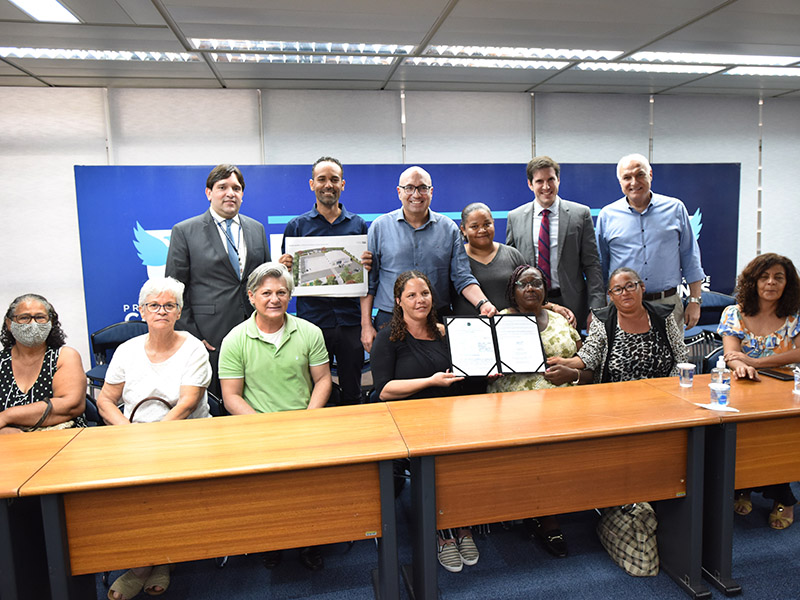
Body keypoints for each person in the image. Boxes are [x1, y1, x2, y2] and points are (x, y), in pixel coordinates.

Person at [97, 277, 211, 600]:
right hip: (133, 436)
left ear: (179, 312)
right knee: (126, 497)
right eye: (154, 305)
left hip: (184, 437)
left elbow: (188, 403)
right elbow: (105, 400)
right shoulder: (126, 350)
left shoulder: (193, 349)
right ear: (142, 311)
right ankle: (152, 559)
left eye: (169, 305)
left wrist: (153, 441)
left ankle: (146, 565)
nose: (161, 311)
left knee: (164, 493)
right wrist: (127, 432)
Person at [218, 262, 331, 571]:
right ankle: (271, 542)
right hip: (256, 428)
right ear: (252, 296)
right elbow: (231, 397)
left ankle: (310, 540)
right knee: (266, 491)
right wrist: (263, 427)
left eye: (281, 292)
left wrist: (309, 419)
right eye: (266, 293)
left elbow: (322, 380)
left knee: (308, 489)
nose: (274, 299)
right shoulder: (234, 339)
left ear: (290, 296)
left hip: (304, 424)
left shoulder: (309, 332)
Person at [370, 270, 477, 573]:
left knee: (466, 461)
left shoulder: (447, 332)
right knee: (434, 465)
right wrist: (428, 381)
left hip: (450, 415)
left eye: (425, 293)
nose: (420, 300)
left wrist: (485, 368)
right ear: (398, 301)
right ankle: (441, 533)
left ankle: (463, 525)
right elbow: (384, 390)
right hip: (408, 422)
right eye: (412, 295)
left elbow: (465, 370)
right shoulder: (388, 337)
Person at [487, 265, 585, 559]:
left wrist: (571, 371)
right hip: (515, 411)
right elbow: (480, 363)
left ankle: (549, 509)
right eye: (523, 283)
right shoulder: (499, 322)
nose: (530, 288)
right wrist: (488, 372)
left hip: (564, 408)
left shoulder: (560, 318)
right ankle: (547, 518)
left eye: (536, 282)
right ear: (512, 290)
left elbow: (585, 358)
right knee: (538, 455)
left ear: (545, 288)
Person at [361, 166, 497, 352]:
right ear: (399, 192)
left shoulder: (448, 229)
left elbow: (462, 277)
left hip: (436, 318)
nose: (416, 194)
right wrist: (366, 325)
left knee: (443, 376)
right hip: (390, 318)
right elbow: (369, 282)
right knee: (393, 378)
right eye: (409, 188)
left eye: (422, 188)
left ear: (431, 191)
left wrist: (483, 303)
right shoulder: (379, 227)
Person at [165, 164, 269, 397]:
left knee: (254, 397)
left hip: (254, 333)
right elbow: (174, 289)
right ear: (208, 192)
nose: (230, 193)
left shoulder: (257, 229)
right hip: (209, 337)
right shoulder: (185, 231)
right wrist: (192, 337)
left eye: (237, 188)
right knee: (215, 402)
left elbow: (265, 283)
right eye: (222, 187)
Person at [717, 253, 800, 529]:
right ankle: (742, 487)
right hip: (746, 384)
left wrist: (757, 362)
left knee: (779, 435)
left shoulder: (794, 314)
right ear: (753, 282)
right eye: (764, 277)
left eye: (778, 277)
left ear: (787, 283)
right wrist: (743, 366)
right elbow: (731, 354)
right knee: (742, 434)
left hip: (787, 387)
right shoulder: (734, 312)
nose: (771, 283)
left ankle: (783, 496)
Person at [279, 156, 371, 405]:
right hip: (312, 322)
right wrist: (284, 268)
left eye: (334, 179)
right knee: (314, 392)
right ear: (312, 184)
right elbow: (285, 280)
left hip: (350, 321)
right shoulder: (296, 227)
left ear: (343, 184)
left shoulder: (358, 225)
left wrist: (367, 266)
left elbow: (366, 278)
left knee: (353, 390)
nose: (328, 185)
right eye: (322, 179)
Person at [596, 153, 705, 329]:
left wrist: (694, 301)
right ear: (620, 182)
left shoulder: (675, 209)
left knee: (670, 357)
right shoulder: (607, 216)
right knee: (625, 357)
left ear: (651, 174)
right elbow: (601, 266)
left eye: (640, 174)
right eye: (627, 177)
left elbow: (690, 256)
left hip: (667, 305)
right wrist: (601, 306)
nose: (634, 182)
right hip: (624, 307)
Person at [506, 156, 605, 328]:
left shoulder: (580, 214)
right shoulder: (515, 217)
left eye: (551, 179)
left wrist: (596, 309)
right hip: (529, 304)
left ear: (558, 180)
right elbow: (512, 269)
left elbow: (592, 265)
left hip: (572, 305)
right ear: (530, 184)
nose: (546, 187)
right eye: (539, 181)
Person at [551, 267, 688, 383]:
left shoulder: (663, 316)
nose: (625, 293)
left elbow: (681, 356)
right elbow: (590, 355)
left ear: (642, 287)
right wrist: (561, 362)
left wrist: (670, 385)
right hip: (615, 395)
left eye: (630, 286)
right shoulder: (602, 320)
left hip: (662, 392)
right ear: (610, 295)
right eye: (617, 289)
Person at [454, 202, 575, 325]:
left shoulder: (512, 254)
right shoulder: (456, 258)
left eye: (487, 224)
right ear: (463, 229)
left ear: (493, 223)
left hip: (511, 329)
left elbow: (530, 293)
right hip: (469, 329)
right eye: (474, 226)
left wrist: (554, 307)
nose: (482, 230)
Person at [1, 294, 85, 433]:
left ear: (50, 322)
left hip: (63, 438)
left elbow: (70, 405)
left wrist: (6, 416)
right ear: (9, 323)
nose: (33, 324)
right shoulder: (1, 362)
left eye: (40, 317)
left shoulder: (64, 356)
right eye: (24, 318)